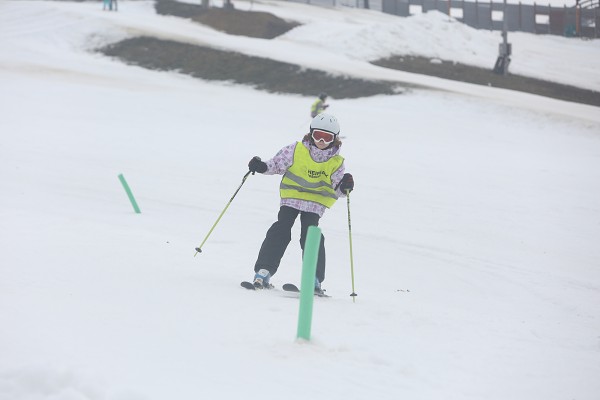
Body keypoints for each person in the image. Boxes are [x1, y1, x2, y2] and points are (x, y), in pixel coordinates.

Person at [247, 113, 354, 294]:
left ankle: (314, 279)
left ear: (334, 139)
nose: (321, 140)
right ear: (310, 133)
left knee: (311, 236)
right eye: (317, 135)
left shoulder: (336, 162)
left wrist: (345, 186)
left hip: (315, 204)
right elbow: (276, 164)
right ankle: (263, 271)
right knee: (281, 229)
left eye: (326, 137)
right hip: (292, 198)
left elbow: (337, 188)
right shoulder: (296, 149)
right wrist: (262, 166)